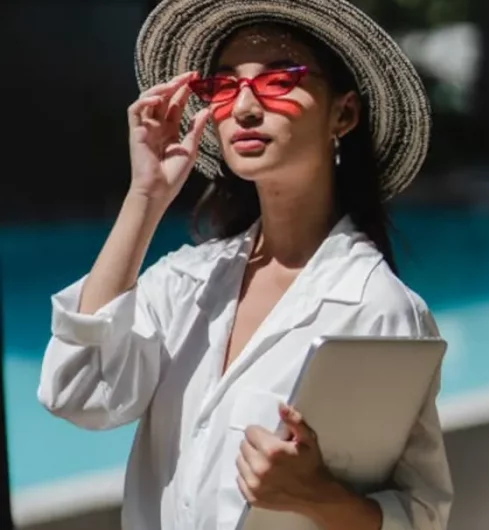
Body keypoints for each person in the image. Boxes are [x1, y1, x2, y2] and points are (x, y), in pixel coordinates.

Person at [37, 1, 453, 529]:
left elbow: (424, 516)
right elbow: (77, 393)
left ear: (343, 114)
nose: (246, 108)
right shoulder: (187, 280)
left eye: (280, 80)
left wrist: (315, 496)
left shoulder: (378, 309)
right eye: (225, 87)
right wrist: (146, 195)